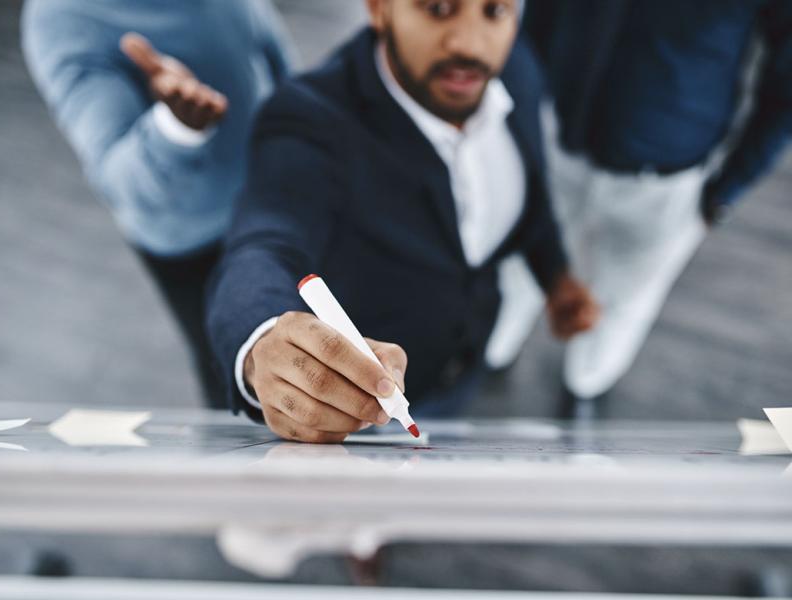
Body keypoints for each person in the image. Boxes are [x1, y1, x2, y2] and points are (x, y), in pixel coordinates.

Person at [206, 0, 599, 443]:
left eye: (494, 11)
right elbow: (264, 243)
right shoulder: (310, 118)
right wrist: (262, 346)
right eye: (438, 8)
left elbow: (530, 190)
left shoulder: (517, 68)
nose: (470, 43)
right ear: (379, 9)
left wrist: (556, 277)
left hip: (465, 364)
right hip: (355, 410)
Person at [518, 0, 792, 417]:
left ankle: (583, 390)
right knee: (518, 264)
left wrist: (725, 193)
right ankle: (487, 358)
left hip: (668, 179)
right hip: (556, 136)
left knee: (622, 300)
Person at [21, 0, 294, 408]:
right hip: (196, 240)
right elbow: (121, 183)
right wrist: (178, 127)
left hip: (281, 200)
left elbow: (281, 65)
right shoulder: (62, 17)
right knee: (241, 375)